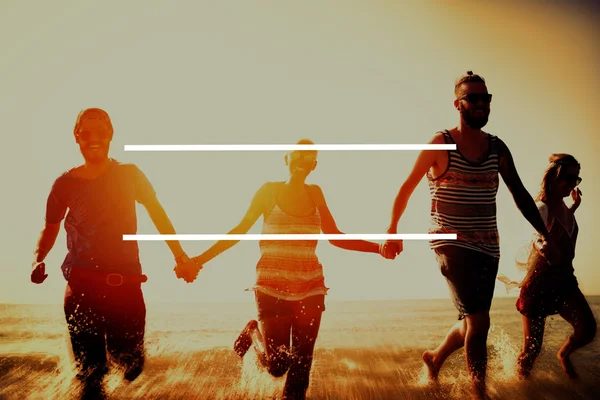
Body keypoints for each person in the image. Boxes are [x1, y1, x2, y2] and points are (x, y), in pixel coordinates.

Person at [382, 71, 553, 399]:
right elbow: (406, 187)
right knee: (479, 320)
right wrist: (392, 231)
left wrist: (545, 234)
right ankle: (479, 393)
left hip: (488, 245)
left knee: (473, 320)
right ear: (458, 104)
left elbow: (518, 191)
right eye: (473, 98)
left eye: (485, 98)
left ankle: (434, 358)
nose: (480, 103)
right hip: (449, 241)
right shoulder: (440, 143)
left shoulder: (497, 147)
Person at [181, 139, 394, 400]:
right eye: (297, 156)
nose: (302, 162)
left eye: (309, 159)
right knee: (277, 365)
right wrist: (199, 260)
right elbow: (239, 231)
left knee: (301, 371)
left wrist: (378, 248)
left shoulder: (315, 193)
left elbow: (335, 236)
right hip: (271, 288)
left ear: (314, 165)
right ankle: (252, 331)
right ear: (286, 159)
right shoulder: (268, 191)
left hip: (311, 287)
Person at [30, 108, 199, 396]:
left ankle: (110, 356)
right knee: (91, 379)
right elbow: (50, 227)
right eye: (86, 133)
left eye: (101, 132)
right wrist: (39, 258)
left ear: (111, 135)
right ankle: (94, 366)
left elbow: (158, 213)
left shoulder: (129, 174)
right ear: (77, 138)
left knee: (131, 364)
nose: (94, 138)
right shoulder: (64, 184)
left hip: (126, 286)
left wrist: (180, 257)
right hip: (82, 287)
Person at [514, 154, 596, 379]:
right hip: (539, 283)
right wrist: (543, 246)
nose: (572, 184)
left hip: (565, 281)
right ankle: (521, 390)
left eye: (576, 180)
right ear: (553, 177)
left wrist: (574, 208)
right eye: (568, 178)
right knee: (531, 351)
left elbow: (562, 228)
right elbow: (536, 236)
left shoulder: (566, 210)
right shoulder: (540, 207)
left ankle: (564, 354)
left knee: (587, 330)